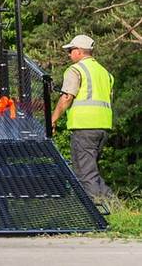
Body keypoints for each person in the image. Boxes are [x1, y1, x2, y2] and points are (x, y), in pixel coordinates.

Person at [50, 34, 115, 201]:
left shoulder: (76, 70)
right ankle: (114, 207)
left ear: (79, 51)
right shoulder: (105, 73)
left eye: (70, 50)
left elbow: (66, 98)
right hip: (103, 128)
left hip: (84, 127)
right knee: (91, 171)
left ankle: (98, 214)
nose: (69, 54)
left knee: (84, 173)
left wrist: (53, 119)